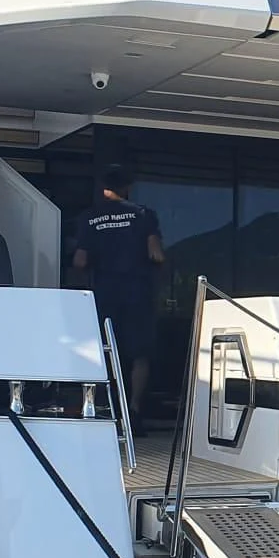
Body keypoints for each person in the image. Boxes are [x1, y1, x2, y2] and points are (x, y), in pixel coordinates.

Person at [73, 165, 164, 432]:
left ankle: (103, 406)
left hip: (104, 293)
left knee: (103, 350)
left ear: (104, 188)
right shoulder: (143, 215)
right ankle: (133, 410)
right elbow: (156, 253)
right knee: (139, 354)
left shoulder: (89, 218)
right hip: (137, 292)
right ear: (127, 188)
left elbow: (80, 261)